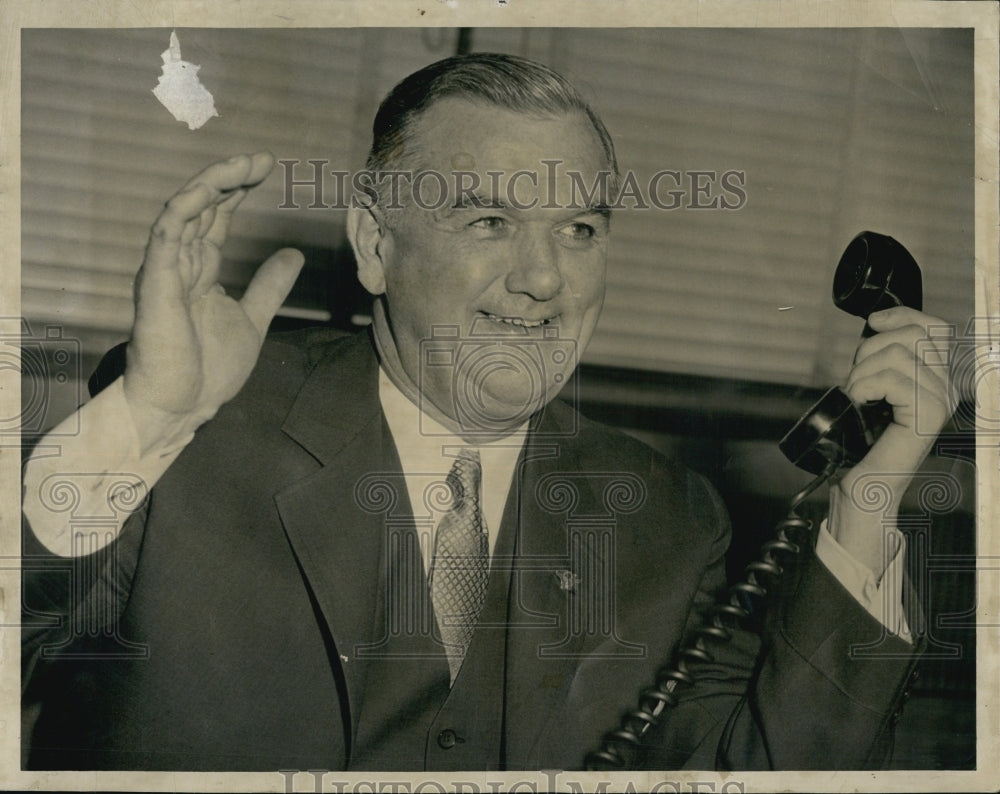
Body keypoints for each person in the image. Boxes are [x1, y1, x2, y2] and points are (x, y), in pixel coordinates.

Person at [20, 53, 953, 772]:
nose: (544, 279)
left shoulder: (669, 517)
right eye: (489, 222)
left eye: (578, 230)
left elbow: (767, 774)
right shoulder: (187, 423)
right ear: (376, 247)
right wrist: (145, 416)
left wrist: (869, 495)